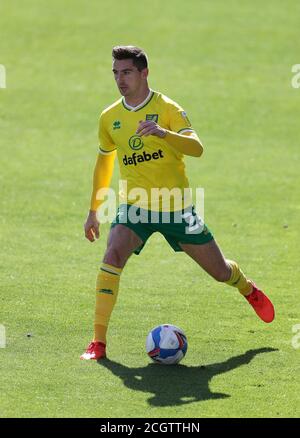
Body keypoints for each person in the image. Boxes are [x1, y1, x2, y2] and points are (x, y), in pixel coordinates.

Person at [80, 46, 275, 361]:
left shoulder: (168, 108)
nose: (120, 79)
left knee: (220, 271)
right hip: (135, 205)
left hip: (175, 207)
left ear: (144, 72)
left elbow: (196, 148)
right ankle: (98, 343)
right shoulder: (109, 117)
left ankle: (246, 287)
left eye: (126, 72)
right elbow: (104, 164)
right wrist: (93, 211)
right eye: (115, 73)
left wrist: (163, 133)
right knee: (113, 254)